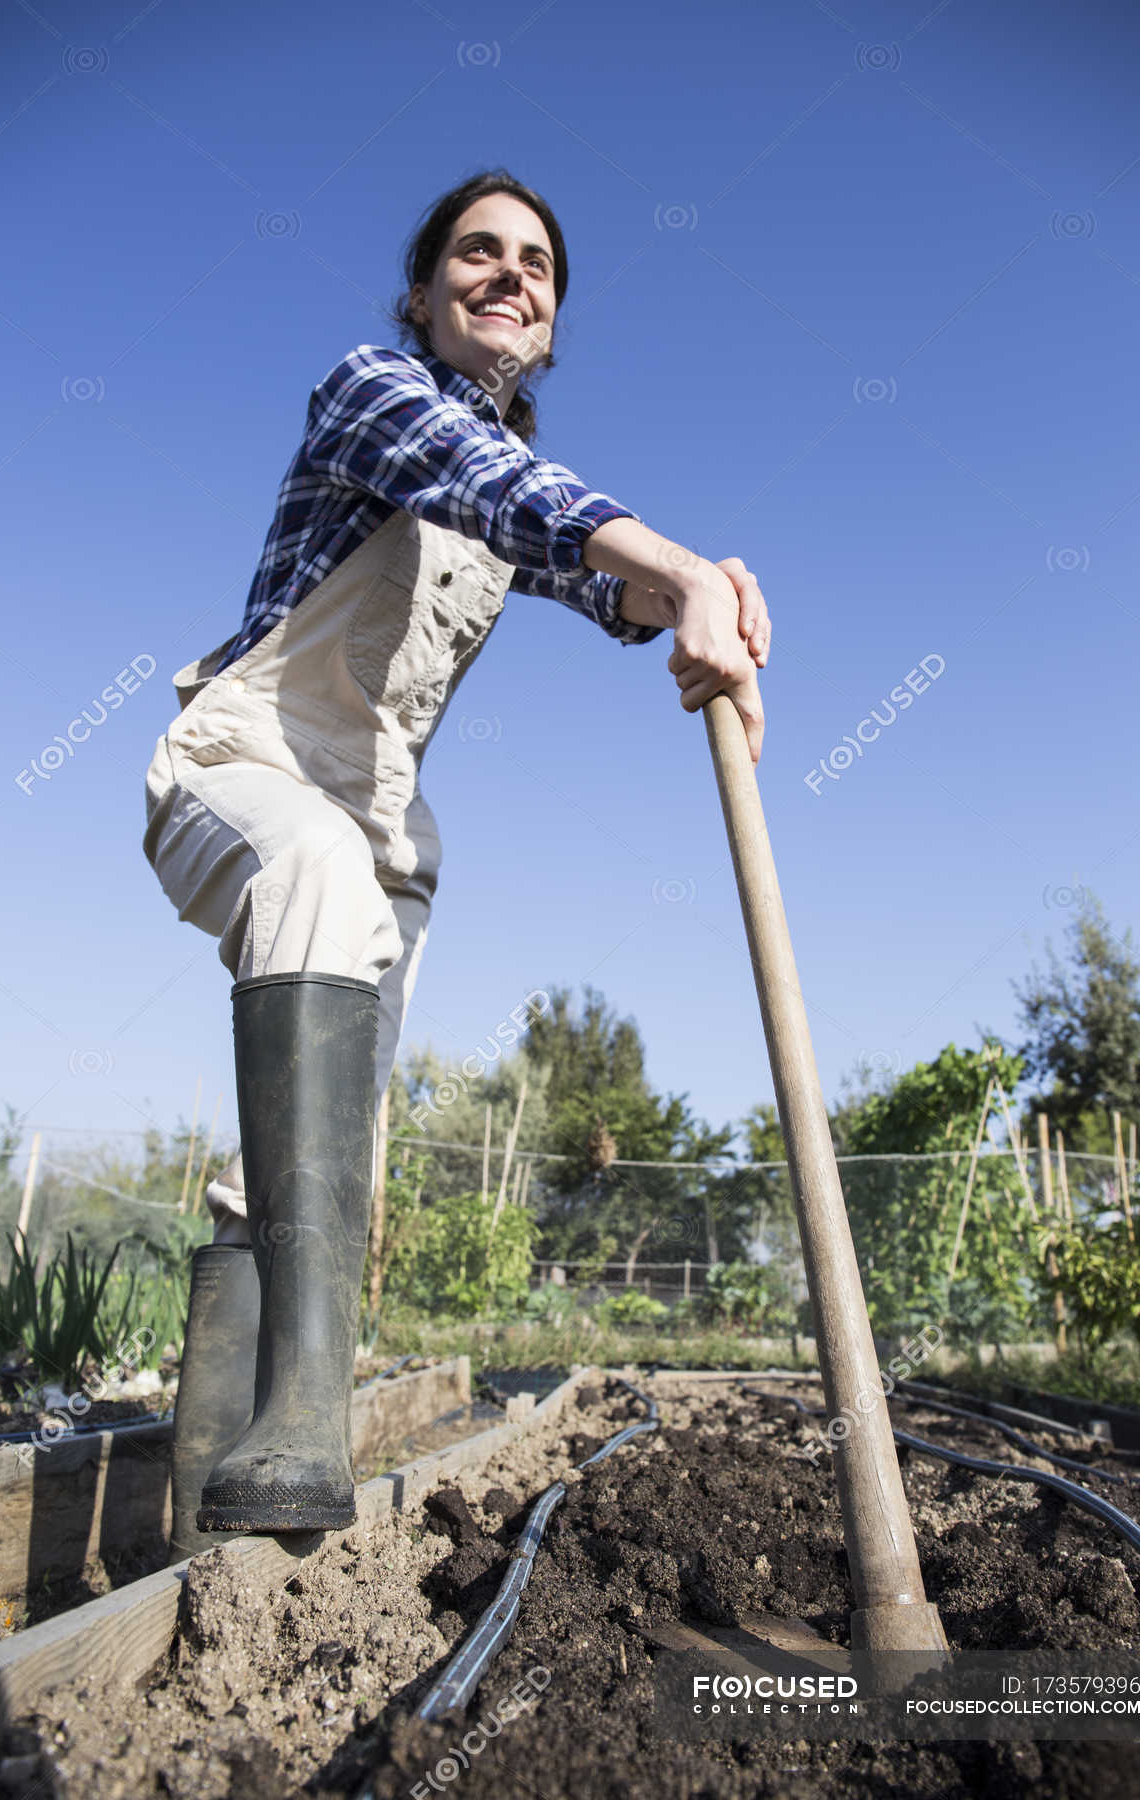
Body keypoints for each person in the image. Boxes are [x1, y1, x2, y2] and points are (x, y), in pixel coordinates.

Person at [146, 168, 770, 1553]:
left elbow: (582, 571)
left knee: (303, 1163)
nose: (509, 274)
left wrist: (696, 590)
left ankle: (207, 1535)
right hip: (245, 765)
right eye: (476, 254)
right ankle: (305, 1418)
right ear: (425, 295)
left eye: (536, 264)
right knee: (309, 866)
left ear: (549, 321)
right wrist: (676, 566)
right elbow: (494, 483)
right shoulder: (371, 392)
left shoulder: (507, 501)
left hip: (379, 823)